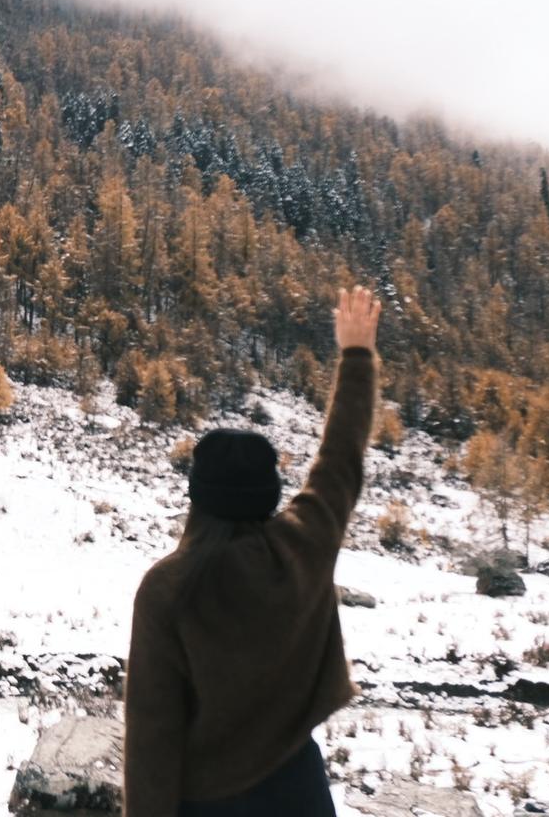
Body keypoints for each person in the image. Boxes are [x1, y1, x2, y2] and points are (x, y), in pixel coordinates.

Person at [124, 285, 381, 816]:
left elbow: (152, 736)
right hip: (298, 791)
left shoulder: (168, 588)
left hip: (206, 803)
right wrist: (357, 353)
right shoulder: (302, 548)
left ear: (197, 496)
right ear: (269, 495)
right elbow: (340, 459)